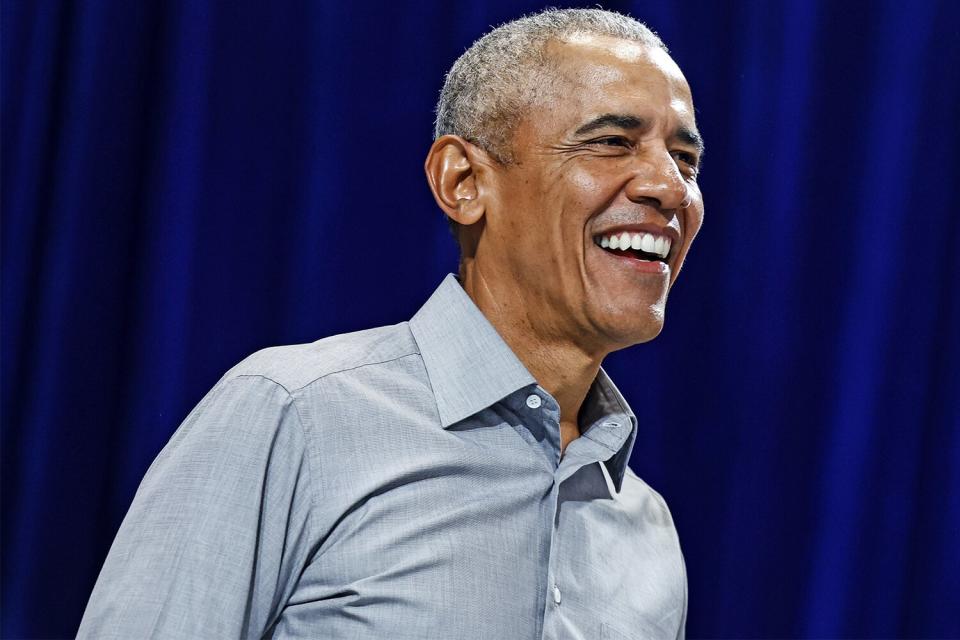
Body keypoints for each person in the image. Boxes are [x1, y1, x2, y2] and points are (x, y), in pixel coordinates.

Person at [79, 7, 704, 639]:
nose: (672, 189)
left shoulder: (648, 530)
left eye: (686, 160)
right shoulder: (296, 413)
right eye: (611, 142)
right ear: (462, 181)